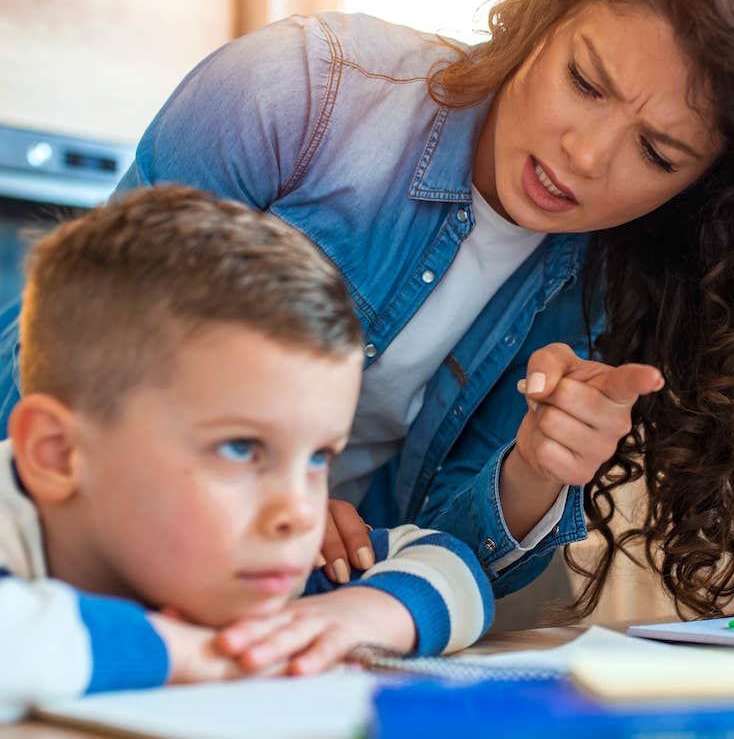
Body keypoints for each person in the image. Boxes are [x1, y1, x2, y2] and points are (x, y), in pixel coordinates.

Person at [3, 0, 734, 619]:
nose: (585, 156)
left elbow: (445, 560)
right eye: (584, 83)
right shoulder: (297, 93)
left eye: (658, 153)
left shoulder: (619, 275)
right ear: (538, 21)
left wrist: (534, 473)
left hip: (316, 608)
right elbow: (56, 363)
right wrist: (259, 503)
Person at [0, 186, 493, 722]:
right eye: (241, 449)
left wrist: (362, 614)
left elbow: (453, 565)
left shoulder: (249, 560)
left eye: (317, 456)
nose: (300, 513)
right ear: (58, 454)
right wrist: (187, 653)